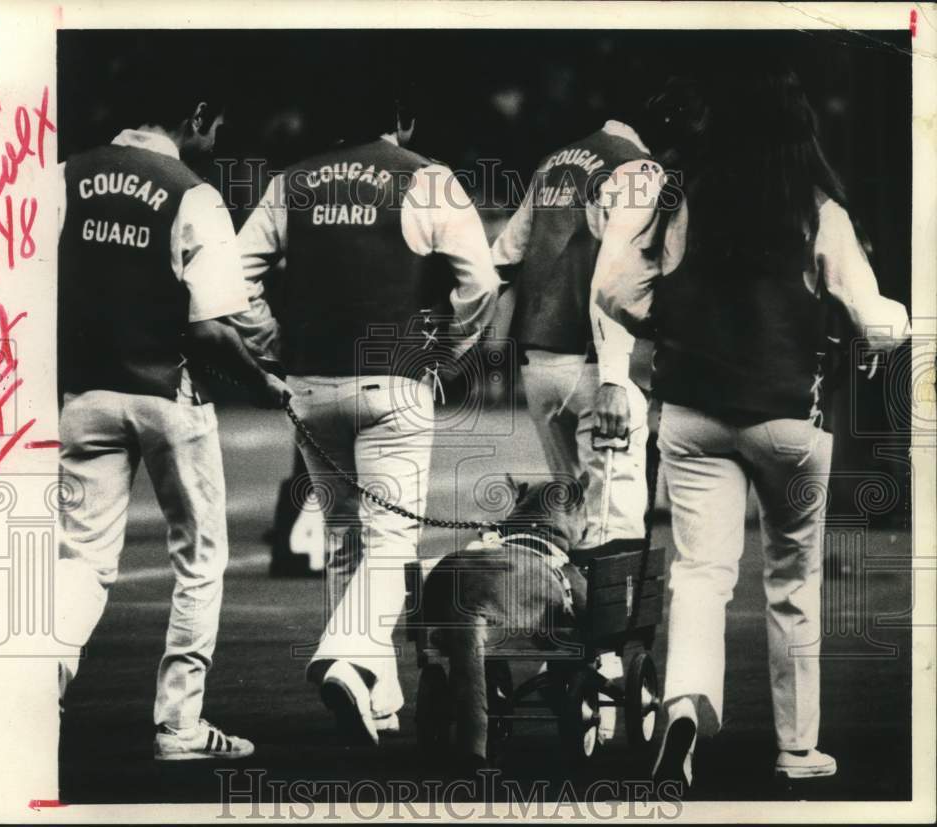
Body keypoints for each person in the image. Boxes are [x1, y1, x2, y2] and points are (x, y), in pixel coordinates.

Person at [591, 66, 910, 788]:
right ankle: (797, 749)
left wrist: (668, 325)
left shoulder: (680, 195)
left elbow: (612, 288)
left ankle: (684, 705)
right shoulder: (817, 207)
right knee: (793, 581)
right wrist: (895, 324)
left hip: (692, 412)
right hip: (790, 417)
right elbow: (872, 315)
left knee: (700, 572)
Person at [236, 88, 501, 745]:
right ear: (403, 120)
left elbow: (232, 278)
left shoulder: (288, 183)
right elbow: (483, 282)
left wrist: (274, 345)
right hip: (395, 378)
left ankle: (375, 699)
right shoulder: (427, 177)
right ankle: (347, 656)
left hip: (311, 385)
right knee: (390, 541)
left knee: (345, 537)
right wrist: (450, 351)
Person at [54, 78, 292, 761]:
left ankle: (41, 685)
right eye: (214, 128)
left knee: (84, 559)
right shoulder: (192, 192)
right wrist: (263, 379)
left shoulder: (61, 175)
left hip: (84, 396)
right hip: (170, 394)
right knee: (199, 560)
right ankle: (179, 726)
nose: (215, 143)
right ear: (195, 115)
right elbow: (213, 329)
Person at [490, 119, 654, 741]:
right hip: (595, 368)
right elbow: (619, 275)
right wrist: (617, 373)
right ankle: (606, 677)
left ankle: (568, 655)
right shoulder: (635, 169)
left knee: (571, 520)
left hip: (541, 367)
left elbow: (503, 257)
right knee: (614, 525)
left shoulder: (552, 162)